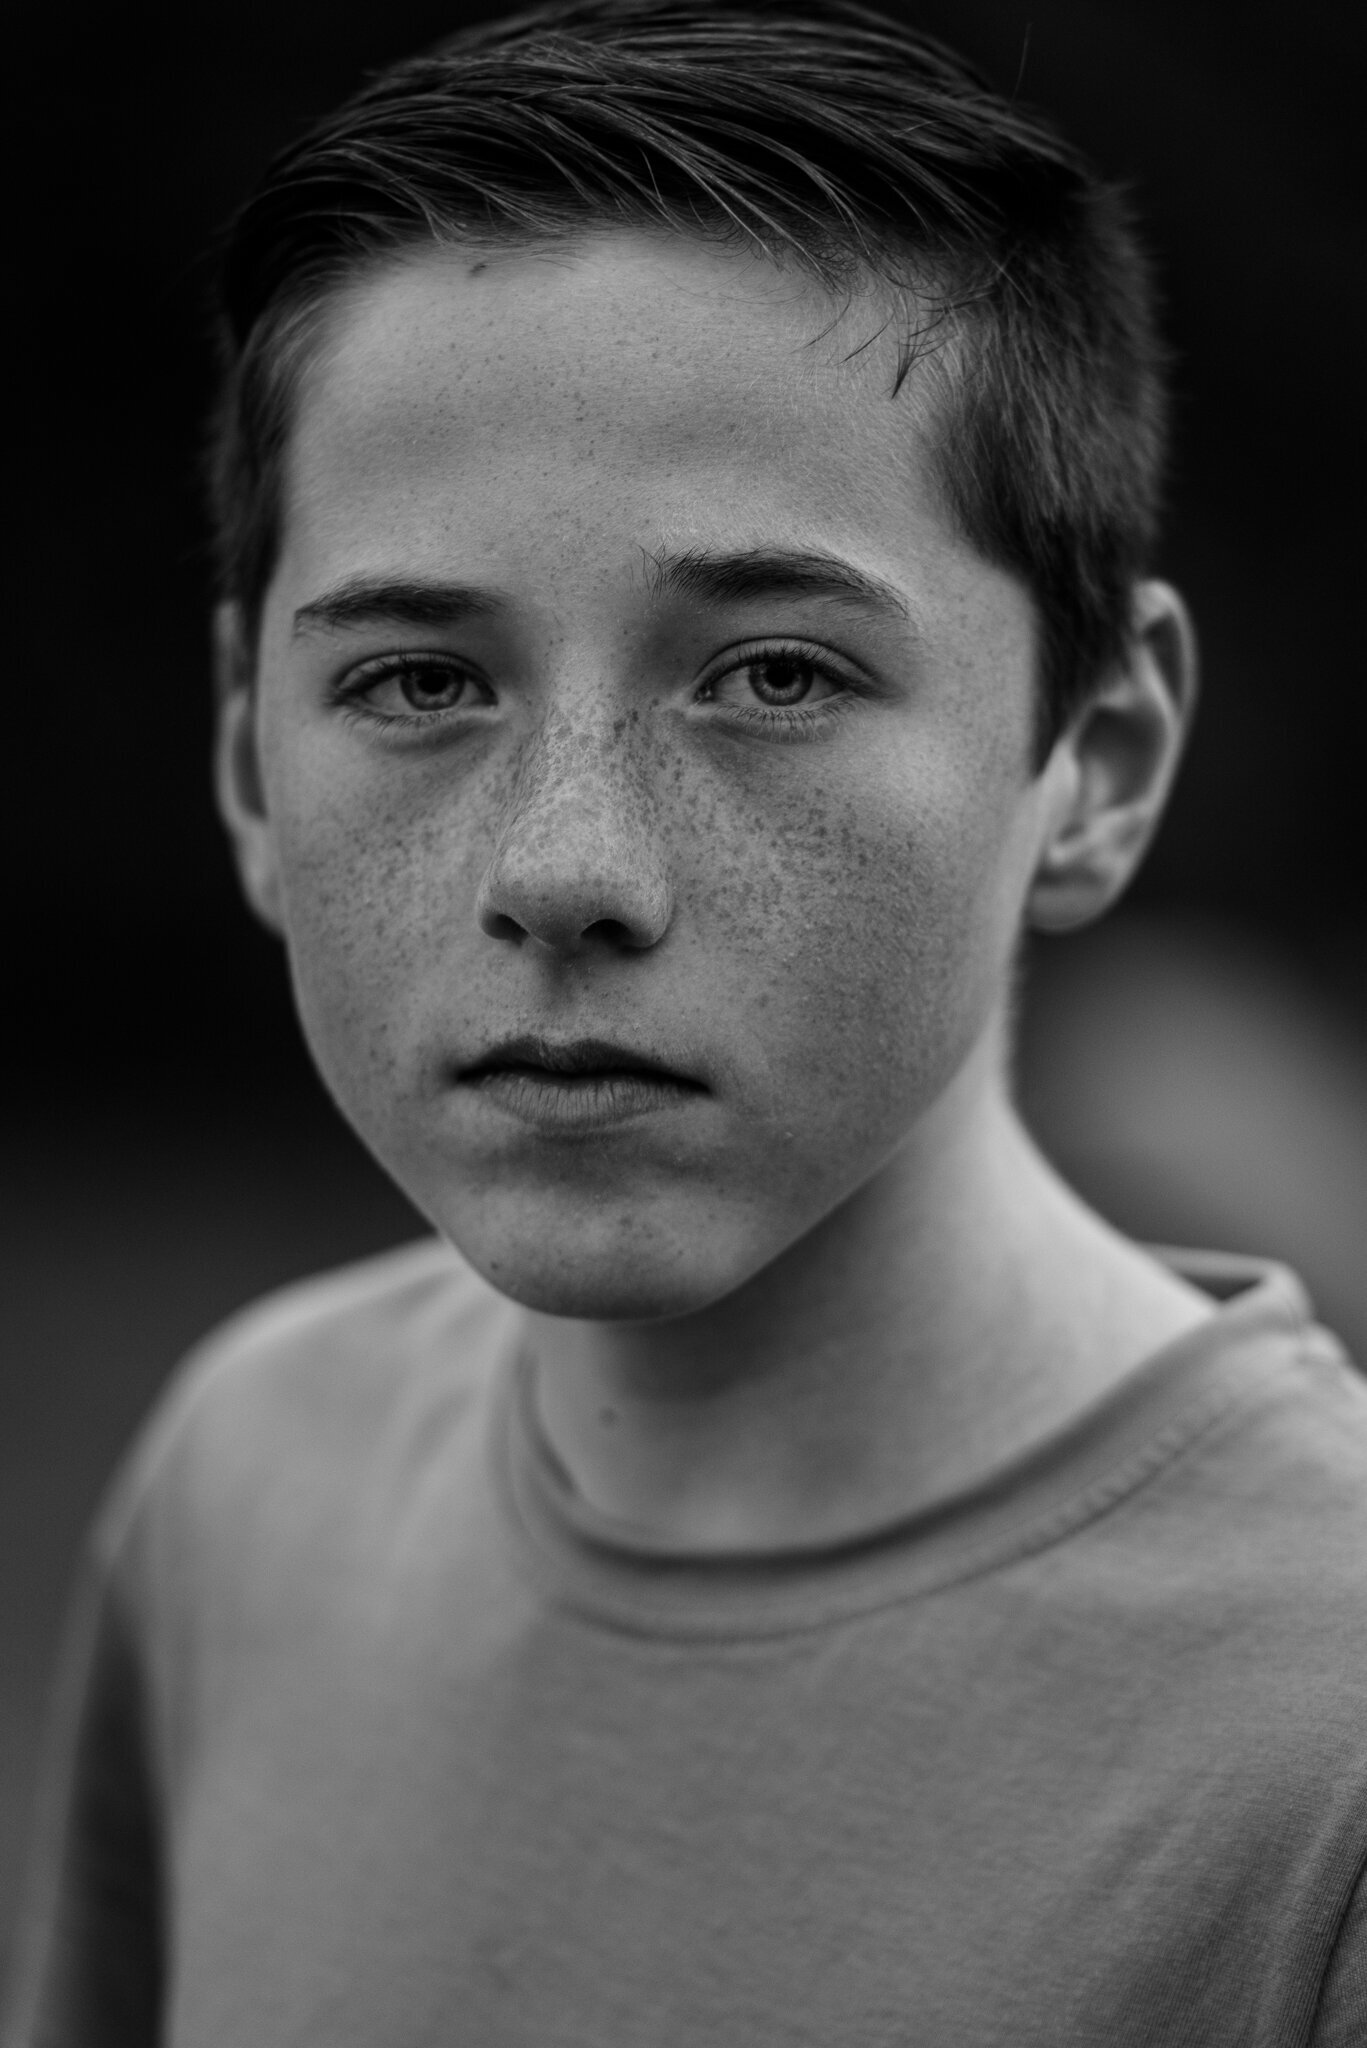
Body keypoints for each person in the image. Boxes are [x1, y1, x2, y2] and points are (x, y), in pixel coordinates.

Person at [5, 2, 1365, 2040]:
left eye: (779, 676)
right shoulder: (247, 1481)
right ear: (244, 761)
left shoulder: (1323, 1739)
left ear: (1097, 754)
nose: (567, 867)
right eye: (415, 682)